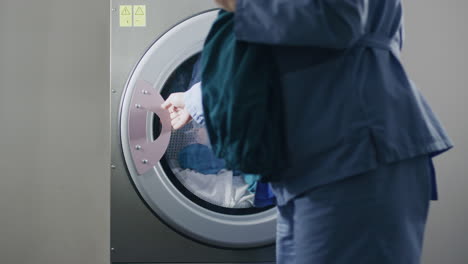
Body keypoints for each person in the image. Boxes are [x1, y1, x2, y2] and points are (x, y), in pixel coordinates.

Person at [162, 0, 453, 263]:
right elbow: (280, 59)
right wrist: (193, 99)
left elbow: (339, 19)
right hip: (320, 156)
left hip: (353, 150)